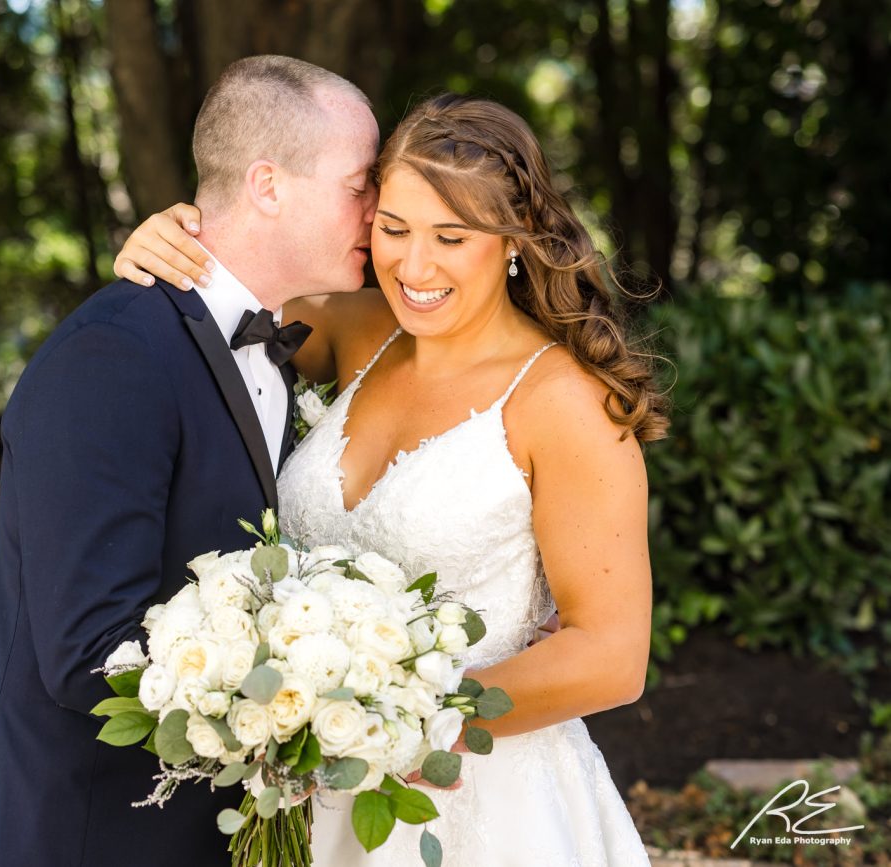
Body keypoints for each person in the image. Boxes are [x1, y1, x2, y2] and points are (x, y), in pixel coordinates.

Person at [113, 92, 666, 864]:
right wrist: (171, 237)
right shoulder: (358, 328)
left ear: (515, 241)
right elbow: (232, 284)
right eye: (394, 229)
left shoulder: (566, 403)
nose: (415, 265)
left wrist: (403, 719)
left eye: (452, 236)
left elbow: (611, 655)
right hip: (313, 791)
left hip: (480, 801)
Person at [0, 56, 380, 867]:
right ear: (268, 184)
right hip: (84, 837)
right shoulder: (112, 354)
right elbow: (85, 650)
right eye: (361, 183)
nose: (379, 209)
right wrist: (318, 693)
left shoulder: (282, 340)